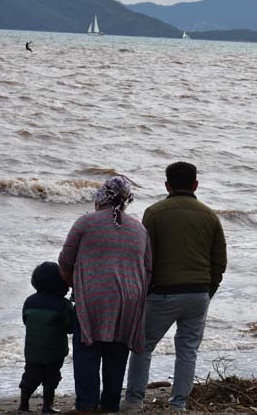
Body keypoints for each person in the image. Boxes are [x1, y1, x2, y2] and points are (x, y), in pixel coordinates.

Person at [124, 161, 227, 413]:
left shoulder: (154, 213)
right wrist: (208, 289)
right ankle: (178, 404)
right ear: (195, 185)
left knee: (143, 346)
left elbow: (146, 257)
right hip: (198, 292)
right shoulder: (209, 215)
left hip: (163, 292)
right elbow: (219, 261)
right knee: (187, 350)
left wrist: (144, 290)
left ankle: (135, 401)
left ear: (167, 185)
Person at [58, 176, 151, 413]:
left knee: (88, 349)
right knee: (117, 353)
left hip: (94, 296)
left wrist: (76, 285)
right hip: (130, 298)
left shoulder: (86, 222)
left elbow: (66, 260)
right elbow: (148, 268)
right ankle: (110, 405)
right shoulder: (139, 228)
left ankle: (87, 405)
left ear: (100, 196)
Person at [19, 262, 73, 414]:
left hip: (32, 350)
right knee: (51, 378)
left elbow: (25, 320)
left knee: (29, 376)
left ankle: (23, 405)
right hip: (55, 351)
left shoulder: (29, 301)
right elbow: (70, 328)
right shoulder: (64, 304)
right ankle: (47, 407)